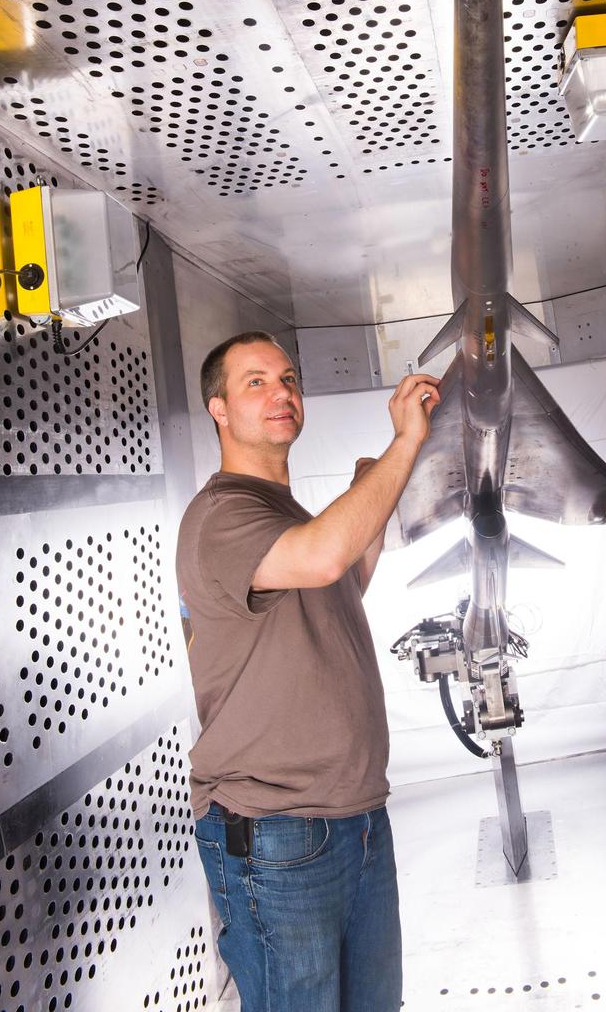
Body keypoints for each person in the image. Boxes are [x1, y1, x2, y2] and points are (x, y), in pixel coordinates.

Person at [176, 329, 440, 1012]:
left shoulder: (284, 516)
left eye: (288, 379)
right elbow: (323, 558)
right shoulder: (222, 515)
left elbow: (342, 580)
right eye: (255, 382)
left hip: (354, 816)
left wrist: (371, 494)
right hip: (277, 833)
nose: (281, 392)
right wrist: (404, 443)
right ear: (218, 409)